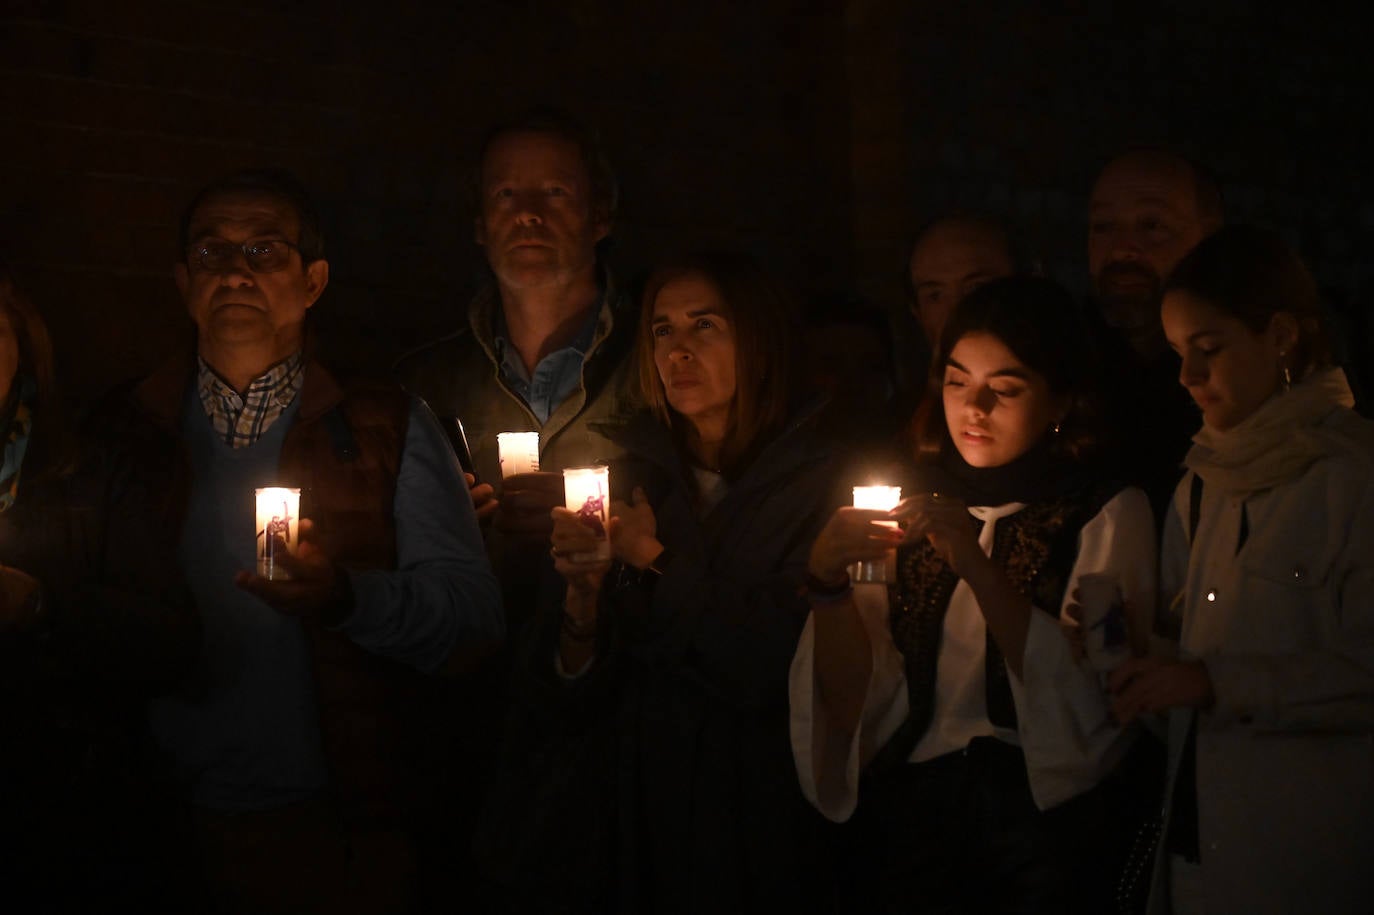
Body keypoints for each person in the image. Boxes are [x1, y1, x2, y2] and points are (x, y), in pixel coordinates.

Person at [96, 169, 502, 914]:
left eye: (264, 250)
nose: (236, 271)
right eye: (212, 253)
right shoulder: (125, 430)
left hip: (340, 831)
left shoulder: (386, 425)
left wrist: (344, 596)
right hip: (160, 825)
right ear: (184, 280)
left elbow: (471, 619)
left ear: (313, 280)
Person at [479, 251, 840, 913]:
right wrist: (582, 602)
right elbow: (563, 695)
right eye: (663, 330)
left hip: (760, 822)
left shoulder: (821, 486)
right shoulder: (627, 474)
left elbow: (772, 664)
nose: (678, 350)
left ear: (759, 338)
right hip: (632, 816)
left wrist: (652, 559)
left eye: (705, 326)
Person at [792, 276, 1157, 913]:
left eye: (1005, 389)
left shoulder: (1102, 512)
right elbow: (853, 695)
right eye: (958, 382)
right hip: (913, 814)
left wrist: (978, 567)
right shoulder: (906, 506)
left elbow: (1097, 696)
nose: (974, 409)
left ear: (1060, 400)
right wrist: (825, 582)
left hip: (1040, 817)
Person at [1110, 226, 1374, 914]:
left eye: (1209, 349)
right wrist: (1137, 656)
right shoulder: (1202, 482)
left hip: (1308, 856)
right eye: (1177, 354)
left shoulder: (1352, 478)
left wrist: (1212, 682)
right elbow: (1193, 665)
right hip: (1200, 849)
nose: (1188, 377)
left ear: (1281, 335)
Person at [0, 261, 198, 910]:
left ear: (22, 349)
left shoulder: (88, 471)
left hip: (59, 811)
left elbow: (171, 642)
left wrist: (40, 603)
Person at [1087, 148, 1224, 521]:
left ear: (1208, 236)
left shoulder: (1242, 382)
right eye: (1103, 226)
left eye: (1152, 225)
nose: (1122, 248)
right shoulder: (1062, 362)